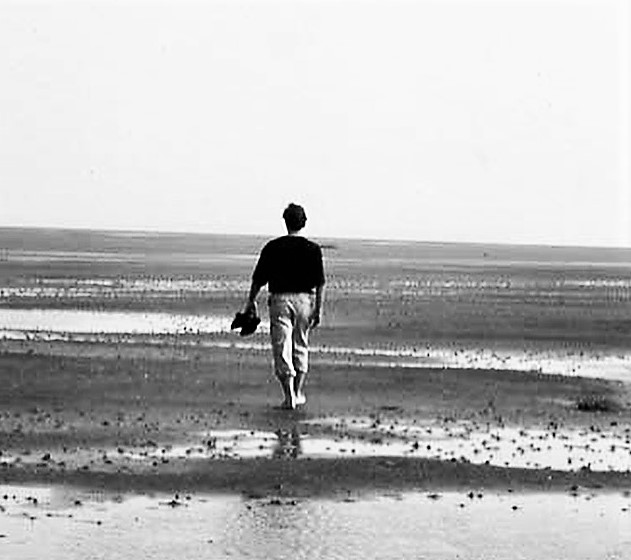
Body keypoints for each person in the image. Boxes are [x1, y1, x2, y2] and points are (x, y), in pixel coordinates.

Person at [243, 203, 325, 409]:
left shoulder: (272, 247)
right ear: (304, 223)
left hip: (280, 300)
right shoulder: (313, 249)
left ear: (285, 222)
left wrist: (250, 301)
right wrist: (318, 309)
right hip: (305, 300)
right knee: (301, 345)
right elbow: (320, 283)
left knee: (282, 347)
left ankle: (289, 395)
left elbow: (258, 279)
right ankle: (297, 392)